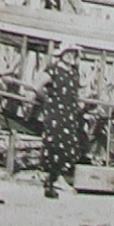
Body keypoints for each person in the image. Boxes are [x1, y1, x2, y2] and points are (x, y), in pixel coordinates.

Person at [33, 42, 84, 198]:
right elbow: (37, 86)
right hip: (55, 112)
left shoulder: (74, 73)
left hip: (69, 113)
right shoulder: (54, 70)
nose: (70, 56)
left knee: (68, 145)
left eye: (73, 53)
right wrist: (47, 99)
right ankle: (51, 180)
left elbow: (77, 91)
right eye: (68, 53)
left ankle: (59, 177)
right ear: (62, 54)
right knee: (54, 143)